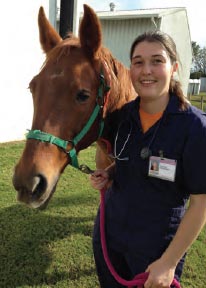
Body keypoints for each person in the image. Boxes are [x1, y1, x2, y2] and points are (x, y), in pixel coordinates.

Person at [90, 31, 206, 288]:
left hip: (156, 247)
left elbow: (200, 204)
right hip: (109, 236)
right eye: (138, 62)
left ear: (174, 67)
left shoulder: (195, 128)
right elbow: (127, 159)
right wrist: (109, 173)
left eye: (157, 60)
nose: (146, 70)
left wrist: (169, 262)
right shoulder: (123, 116)